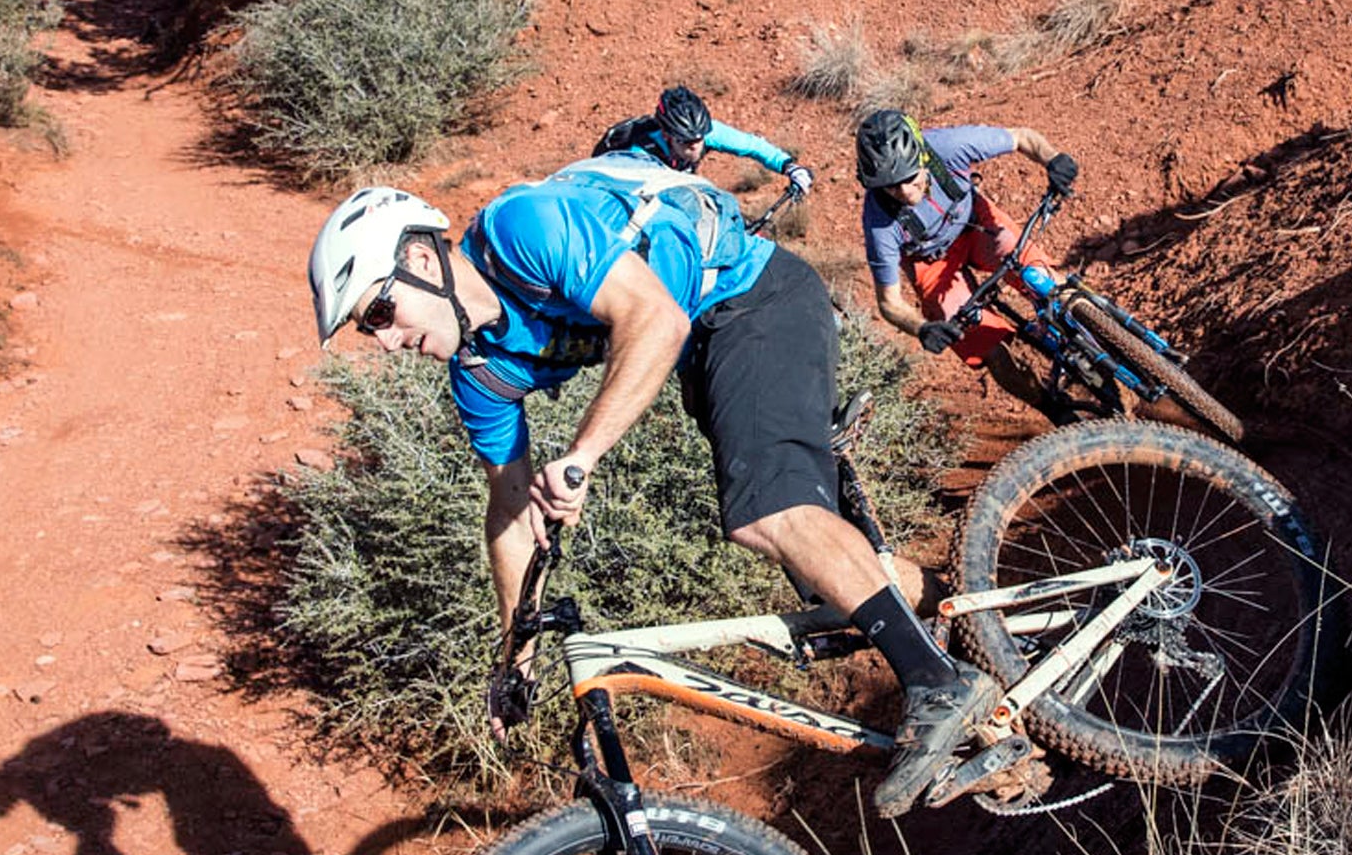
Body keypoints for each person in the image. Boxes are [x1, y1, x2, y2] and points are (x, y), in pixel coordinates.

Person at [307, 168, 999, 818]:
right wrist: (514, 654)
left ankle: (940, 685)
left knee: (767, 510)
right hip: (709, 343)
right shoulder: (481, 372)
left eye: (380, 312)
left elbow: (656, 320)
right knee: (827, 584)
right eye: (371, 329)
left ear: (422, 260)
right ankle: (979, 626)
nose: (387, 340)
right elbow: (510, 513)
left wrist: (581, 456)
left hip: (754, 297)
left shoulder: (524, 228)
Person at [856, 108, 1079, 383]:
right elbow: (889, 302)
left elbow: (1021, 137)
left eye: (910, 178)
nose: (904, 192)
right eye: (891, 187)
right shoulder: (879, 223)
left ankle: (1104, 336)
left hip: (976, 224)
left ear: (923, 158)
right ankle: (1057, 413)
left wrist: (1053, 159)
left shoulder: (948, 147)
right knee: (988, 347)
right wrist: (922, 328)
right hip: (929, 261)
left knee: (1046, 282)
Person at [595, 84, 815, 200]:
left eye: (699, 140)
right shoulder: (641, 152)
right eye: (685, 141)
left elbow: (752, 146)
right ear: (666, 135)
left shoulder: (705, 132)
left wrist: (789, 166)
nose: (694, 146)